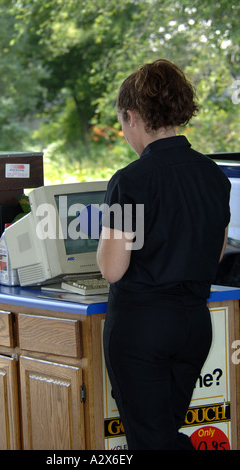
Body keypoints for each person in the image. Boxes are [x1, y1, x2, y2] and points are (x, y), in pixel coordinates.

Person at [97, 59, 231, 450]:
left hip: (142, 329)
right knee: (163, 434)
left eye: (122, 125)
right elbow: (216, 251)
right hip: (193, 326)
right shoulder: (214, 176)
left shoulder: (129, 181)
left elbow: (113, 269)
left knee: (150, 442)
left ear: (131, 116)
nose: (124, 134)